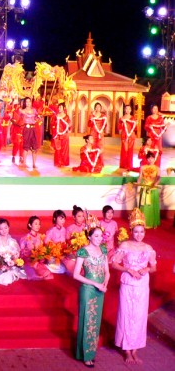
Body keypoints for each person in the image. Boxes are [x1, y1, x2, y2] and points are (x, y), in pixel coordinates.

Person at [112, 208, 157, 364]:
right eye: (136, 232)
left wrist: (146, 269)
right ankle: (126, 350)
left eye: (142, 231)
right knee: (126, 314)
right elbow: (115, 263)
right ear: (131, 231)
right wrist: (128, 269)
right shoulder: (125, 245)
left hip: (142, 285)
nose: (139, 235)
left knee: (139, 316)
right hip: (128, 283)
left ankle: (135, 350)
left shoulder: (148, 248)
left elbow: (154, 267)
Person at [73, 226, 109, 368]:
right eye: (96, 236)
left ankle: (88, 353)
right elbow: (76, 275)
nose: (99, 239)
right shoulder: (83, 251)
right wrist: (96, 284)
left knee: (95, 322)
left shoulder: (103, 250)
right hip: (88, 290)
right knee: (87, 321)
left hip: (100, 290)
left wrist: (105, 282)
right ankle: (85, 355)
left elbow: (107, 271)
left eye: (101, 236)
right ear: (89, 237)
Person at [19, 215, 53, 280]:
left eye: (39, 224)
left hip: (39, 261)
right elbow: (21, 252)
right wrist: (29, 256)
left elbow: (44, 249)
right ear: (30, 225)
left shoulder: (41, 236)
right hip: (29, 262)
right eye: (36, 224)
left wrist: (42, 256)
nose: (38, 226)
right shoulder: (25, 238)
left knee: (48, 275)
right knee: (33, 275)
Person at [137, 151, 161, 228]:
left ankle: (153, 223)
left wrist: (155, 184)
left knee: (152, 206)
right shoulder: (142, 167)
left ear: (154, 159)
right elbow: (140, 177)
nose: (150, 160)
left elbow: (158, 178)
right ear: (147, 159)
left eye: (152, 158)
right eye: (149, 158)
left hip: (153, 189)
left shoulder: (157, 168)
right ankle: (143, 223)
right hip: (144, 188)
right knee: (144, 207)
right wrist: (138, 184)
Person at [64, 205, 87, 274]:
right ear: (74, 217)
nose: (81, 218)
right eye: (79, 216)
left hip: (85, 250)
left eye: (83, 216)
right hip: (74, 252)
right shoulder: (70, 228)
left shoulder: (86, 227)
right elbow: (67, 241)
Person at [44, 209, 68, 274]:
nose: (63, 221)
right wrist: (54, 249)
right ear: (55, 219)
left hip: (62, 253)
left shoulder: (64, 229)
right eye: (61, 219)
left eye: (64, 219)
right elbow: (46, 243)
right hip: (54, 254)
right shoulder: (51, 231)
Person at [51, 101, 71, 167]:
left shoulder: (67, 117)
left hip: (64, 135)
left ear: (64, 108)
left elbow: (69, 126)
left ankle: (64, 162)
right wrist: (55, 122)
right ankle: (58, 162)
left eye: (61, 107)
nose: (59, 108)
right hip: (57, 135)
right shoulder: (55, 116)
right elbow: (52, 124)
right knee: (58, 149)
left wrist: (68, 130)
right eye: (58, 107)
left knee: (64, 149)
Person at [118, 103, 137, 170]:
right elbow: (119, 128)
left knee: (130, 150)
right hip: (124, 135)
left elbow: (135, 128)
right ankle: (123, 164)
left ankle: (129, 165)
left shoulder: (133, 118)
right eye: (126, 109)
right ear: (124, 110)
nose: (128, 110)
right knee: (124, 150)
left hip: (131, 136)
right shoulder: (121, 118)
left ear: (131, 110)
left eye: (129, 109)